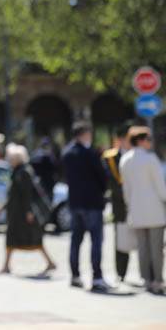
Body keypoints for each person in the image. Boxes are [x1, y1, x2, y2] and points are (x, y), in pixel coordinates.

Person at [61, 121, 109, 292]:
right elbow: (103, 177)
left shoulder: (66, 153)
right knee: (96, 241)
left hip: (75, 202)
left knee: (76, 240)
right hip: (92, 203)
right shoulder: (90, 153)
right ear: (84, 134)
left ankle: (75, 275)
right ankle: (97, 277)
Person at [119, 127, 166, 295]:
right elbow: (161, 187)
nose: (150, 142)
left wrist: (130, 206)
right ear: (140, 140)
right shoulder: (150, 159)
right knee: (156, 248)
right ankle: (158, 280)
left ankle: (146, 279)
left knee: (143, 248)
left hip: (136, 210)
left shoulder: (125, 160)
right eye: (148, 139)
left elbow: (126, 190)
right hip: (154, 211)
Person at [0, 143, 56, 275]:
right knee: (12, 238)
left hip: (22, 212)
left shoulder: (24, 172)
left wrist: (29, 211)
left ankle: (50, 262)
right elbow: (14, 194)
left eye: (11, 158)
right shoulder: (16, 171)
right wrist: (3, 206)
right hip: (16, 212)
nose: (9, 160)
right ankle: (6, 265)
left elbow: (27, 194)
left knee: (34, 238)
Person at [102, 124, 133, 284]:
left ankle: (147, 274)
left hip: (137, 205)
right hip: (120, 205)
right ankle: (121, 272)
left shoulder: (137, 156)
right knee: (121, 239)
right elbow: (110, 183)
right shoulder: (110, 158)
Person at [30, 138, 60, 202]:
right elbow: (55, 167)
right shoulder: (48, 155)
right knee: (48, 201)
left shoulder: (34, 154)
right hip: (47, 182)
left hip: (37, 182)